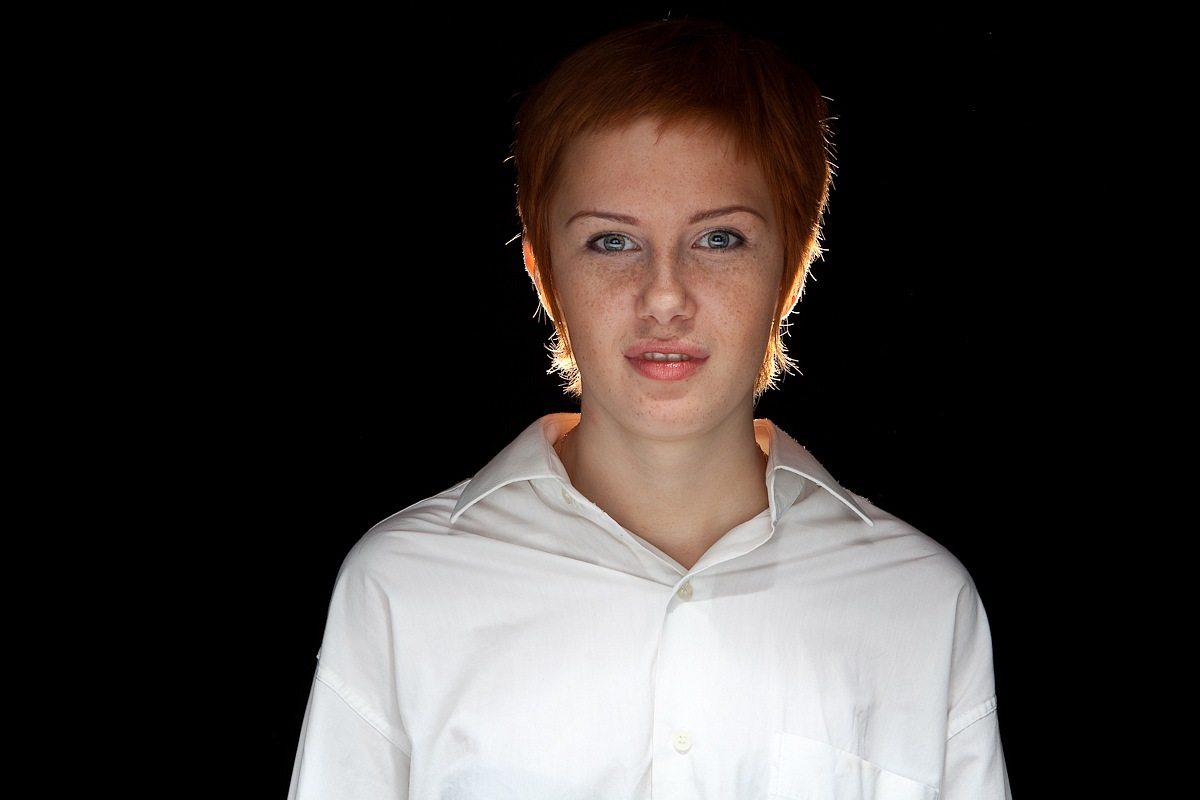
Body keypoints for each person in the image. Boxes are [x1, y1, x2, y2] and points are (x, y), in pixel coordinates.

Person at [288, 17, 1011, 799]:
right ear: (543, 275)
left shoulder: (922, 607)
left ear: (791, 269)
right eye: (612, 242)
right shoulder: (401, 590)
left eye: (720, 240)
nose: (664, 297)